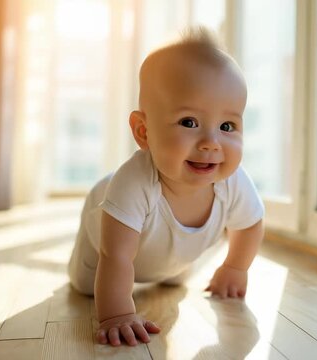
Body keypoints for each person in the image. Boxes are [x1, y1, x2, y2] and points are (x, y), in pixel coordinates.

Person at [67, 27, 264, 347]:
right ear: (144, 132)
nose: (211, 143)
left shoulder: (233, 182)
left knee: (174, 278)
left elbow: (250, 224)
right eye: (189, 122)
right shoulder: (132, 183)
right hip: (103, 241)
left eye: (227, 126)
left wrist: (234, 268)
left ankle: (168, 269)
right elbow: (115, 256)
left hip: (170, 256)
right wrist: (116, 315)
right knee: (87, 286)